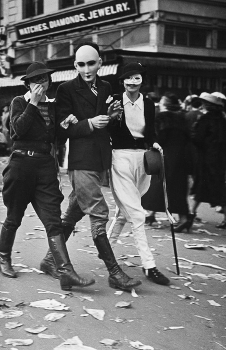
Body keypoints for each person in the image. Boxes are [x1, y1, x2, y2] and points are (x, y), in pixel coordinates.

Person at [40, 42, 142, 291]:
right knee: (98, 213)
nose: (87, 69)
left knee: (74, 212)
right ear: (75, 65)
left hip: (100, 159)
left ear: (99, 63)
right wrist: (89, 123)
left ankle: (48, 260)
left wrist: (113, 117)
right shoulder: (66, 89)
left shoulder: (106, 86)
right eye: (81, 64)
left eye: (91, 63)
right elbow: (64, 128)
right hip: (80, 161)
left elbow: (109, 127)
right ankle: (115, 273)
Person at [0, 61, 95, 291]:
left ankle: (64, 270)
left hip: (44, 167)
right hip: (21, 165)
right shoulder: (19, 102)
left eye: (45, 80)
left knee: (53, 220)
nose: (41, 84)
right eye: (36, 81)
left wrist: (66, 125)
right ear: (29, 84)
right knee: (14, 217)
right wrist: (32, 102)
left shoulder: (52, 106)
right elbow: (17, 131)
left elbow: (55, 139)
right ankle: (4, 258)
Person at [107, 63, 169, 286]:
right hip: (120, 157)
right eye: (129, 78)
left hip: (142, 158)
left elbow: (149, 130)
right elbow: (108, 129)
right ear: (122, 80)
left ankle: (105, 249)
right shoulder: (114, 100)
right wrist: (112, 115)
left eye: (137, 78)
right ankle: (149, 265)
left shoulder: (149, 103)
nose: (133, 82)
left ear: (142, 80)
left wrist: (155, 143)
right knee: (137, 213)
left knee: (125, 212)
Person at [141, 92, 194, 233]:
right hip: (181, 157)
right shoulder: (182, 117)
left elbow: (161, 137)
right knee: (177, 188)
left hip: (166, 156)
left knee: (159, 186)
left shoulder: (162, 117)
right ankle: (182, 218)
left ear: (165, 104)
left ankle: (153, 214)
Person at [190, 92, 226, 229]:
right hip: (220, 158)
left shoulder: (205, 119)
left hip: (206, 157)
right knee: (219, 187)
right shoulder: (223, 120)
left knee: (201, 185)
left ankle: (192, 212)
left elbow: (197, 138)